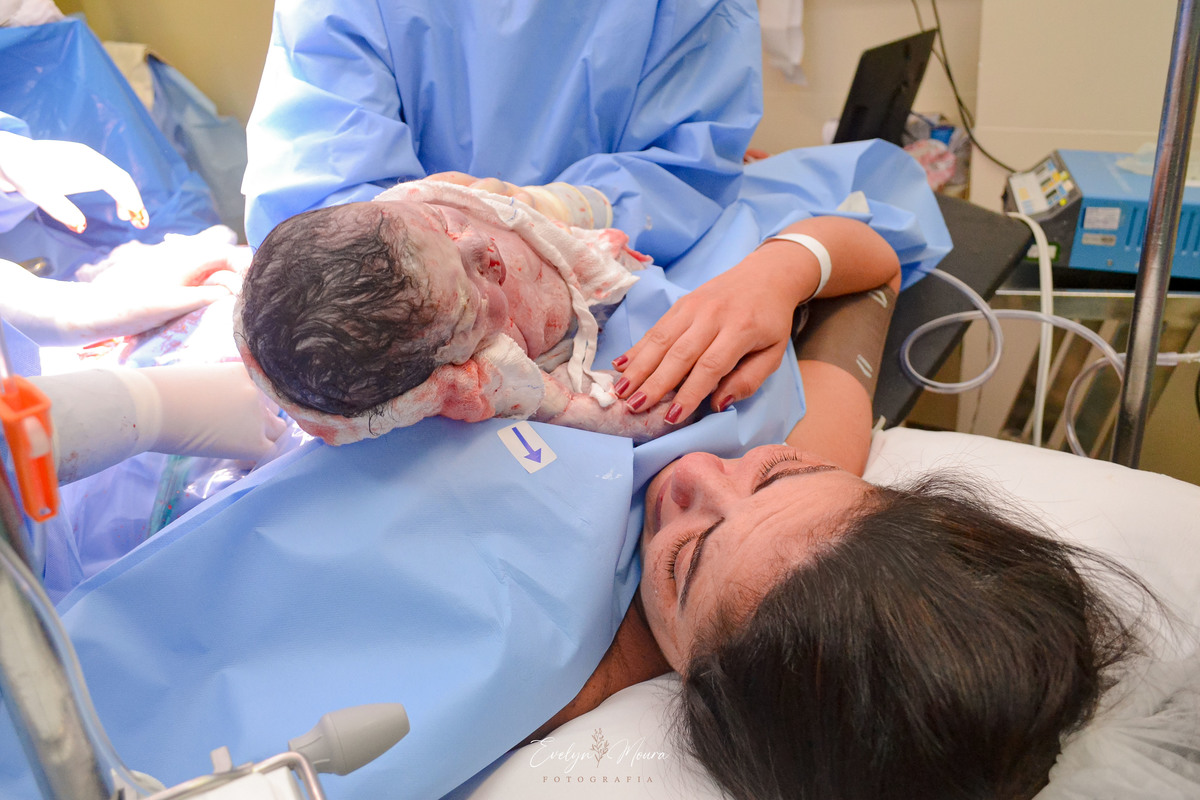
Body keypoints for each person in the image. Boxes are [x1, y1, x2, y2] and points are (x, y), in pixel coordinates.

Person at [242, 0, 762, 264]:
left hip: (621, 276)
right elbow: (321, 203)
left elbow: (689, 169)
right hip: (392, 293)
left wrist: (557, 210)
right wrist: (435, 260)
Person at [236, 178, 684, 443]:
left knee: (555, 199)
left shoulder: (413, 203)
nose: (480, 246)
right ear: (450, 357)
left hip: (540, 221)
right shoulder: (490, 370)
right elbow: (568, 408)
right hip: (595, 300)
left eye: (443, 223)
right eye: (475, 290)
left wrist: (520, 199)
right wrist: (650, 413)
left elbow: (484, 201)